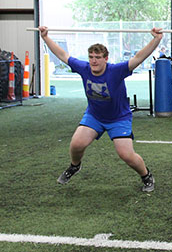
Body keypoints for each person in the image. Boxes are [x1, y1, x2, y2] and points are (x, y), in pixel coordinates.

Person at [38, 26, 163, 192]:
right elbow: (62, 55)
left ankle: (146, 176)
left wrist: (156, 39)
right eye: (91, 57)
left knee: (126, 155)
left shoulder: (116, 71)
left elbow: (139, 57)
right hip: (94, 116)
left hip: (119, 118)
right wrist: (45, 37)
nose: (93, 61)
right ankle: (75, 166)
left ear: (106, 58)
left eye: (97, 57)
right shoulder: (84, 68)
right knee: (76, 144)